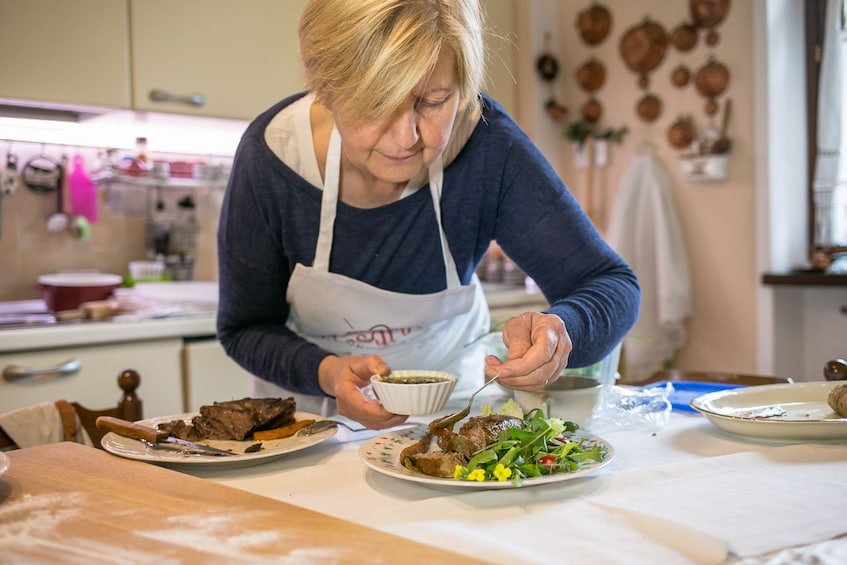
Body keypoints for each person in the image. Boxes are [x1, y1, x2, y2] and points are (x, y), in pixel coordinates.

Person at [216, 0, 640, 430]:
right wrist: (328, 372)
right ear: (324, 87)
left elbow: (612, 285)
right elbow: (245, 329)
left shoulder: (489, 147)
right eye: (376, 103)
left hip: (458, 421)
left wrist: (560, 331)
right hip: (312, 427)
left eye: (433, 101)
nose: (407, 138)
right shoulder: (273, 159)